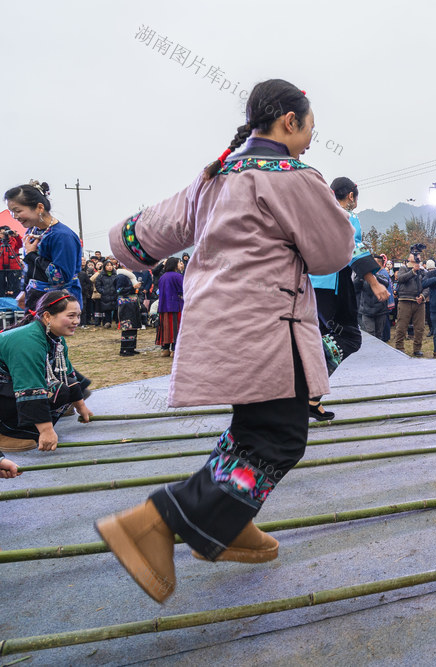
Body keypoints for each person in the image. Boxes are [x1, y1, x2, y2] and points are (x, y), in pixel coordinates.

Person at [95, 80, 355, 603]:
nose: (308, 142)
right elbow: (332, 253)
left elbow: (136, 239)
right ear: (289, 121)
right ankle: (154, 521)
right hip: (270, 331)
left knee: (255, 429)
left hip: (222, 328)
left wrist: (122, 239)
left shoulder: (214, 176)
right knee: (278, 438)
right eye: (308, 130)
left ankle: (232, 521)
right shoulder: (294, 177)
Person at [308, 176, 385, 419]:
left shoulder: (316, 215)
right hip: (334, 282)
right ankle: (307, 389)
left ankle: (308, 396)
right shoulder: (347, 216)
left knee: (314, 336)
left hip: (309, 283)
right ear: (351, 195)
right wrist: (373, 282)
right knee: (349, 336)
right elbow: (354, 246)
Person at [0, 290, 93, 453]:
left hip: (10, 385)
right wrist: (46, 430)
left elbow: (68, 374)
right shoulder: (27, 342)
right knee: (40, 392)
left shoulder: (56, 337)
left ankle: (26, 428)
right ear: (48, 317)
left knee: (65, 389)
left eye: (78, 316)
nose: (76, 321)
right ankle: (6, 432)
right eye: (71, 316)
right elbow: (29, 388)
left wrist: (81, 405)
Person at [4, 181, 83, 309]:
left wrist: (31, 255)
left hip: (59, 303)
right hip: (35, 296)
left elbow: (60, 277)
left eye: (17, 211)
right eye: (12, 212)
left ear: (39, 208)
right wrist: (24, 290)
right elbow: (29, 267)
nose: (15, 216)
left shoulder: (62, 236)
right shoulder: (32, 231)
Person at [393, 251, 427, 356]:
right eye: (414, 254)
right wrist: (413, 271)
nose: (417, 256)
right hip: (405, 300)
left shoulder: (423, 271)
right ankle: (399, 347)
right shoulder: (403, 268)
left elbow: (427, 285)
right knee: (402, 326)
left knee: (420, 327)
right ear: (408, 258)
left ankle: (417, 349)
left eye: (418, 255)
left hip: (419, 302)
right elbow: (400, 279)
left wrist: (423, 296)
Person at [355, 257, 391, 342]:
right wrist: (362, 277)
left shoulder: (382, 274)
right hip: (366, 311)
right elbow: (355, 287)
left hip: (380, 311)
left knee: (379, 335)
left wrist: (373, 277)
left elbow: (386, 283)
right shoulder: (362, 277)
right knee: (370, 334)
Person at [155, 257, 183, 357]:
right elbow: (183, 289)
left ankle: (165, 348)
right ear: (175, 265)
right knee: (176, 327)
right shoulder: (177, 276)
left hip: (163, 306)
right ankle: (175, 349)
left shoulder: (163, 277)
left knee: (165, 327)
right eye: (179, 263)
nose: (181, 265)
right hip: (175, 305)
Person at [116, 274, 141, 356]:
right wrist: (133, 287)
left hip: (132, 303)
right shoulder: (121, 276)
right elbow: (119, 290)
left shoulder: (131, 276)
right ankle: (124, 349)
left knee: (133, 325)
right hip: (125, 305)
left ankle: (131, 348)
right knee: (127, 326)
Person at [0, 225, 23, 299]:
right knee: (1, 287)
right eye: (2, 233)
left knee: (16, 287)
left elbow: (22, 244)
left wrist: (17, 236)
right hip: (0, 268)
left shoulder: (14, 240)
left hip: (14, 268)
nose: (4, 235)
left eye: (6, 233)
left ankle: (16, 303)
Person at [93, 260, 118, 328]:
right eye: (107, 265)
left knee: (116, 309)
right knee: (107, 309)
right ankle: (107, 322)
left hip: (115, 295)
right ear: (104, 267)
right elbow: (98, 285)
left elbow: (118, 284)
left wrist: (117, 291)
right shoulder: (101, 275)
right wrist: (102, 291)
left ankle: (117, 322)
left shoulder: (116, 275)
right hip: (105, 295)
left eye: (111, 265)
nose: (109, 267)